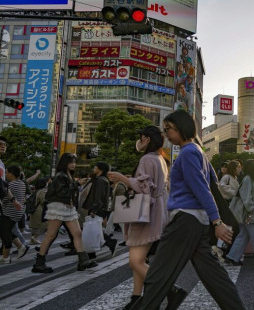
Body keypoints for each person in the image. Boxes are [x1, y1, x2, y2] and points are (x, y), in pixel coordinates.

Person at [132, 111, 244, 310]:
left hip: (184, 221)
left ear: (182, 128)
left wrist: (217, 222)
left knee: (157, 276)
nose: (166, 134)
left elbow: (202, 189)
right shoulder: (198, 151)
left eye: (169, 129)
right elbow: (212, 183)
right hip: (196, 223)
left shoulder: (188, 152)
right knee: (214, 277)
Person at [107, 126, 170, 310]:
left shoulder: (146, 159)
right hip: (157, 212)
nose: (139, 141)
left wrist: (122, 178)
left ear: (147, 139)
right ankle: (136, 297)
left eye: (141, 137)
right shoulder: (160, 159)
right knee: (140, 260)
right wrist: (131, 179)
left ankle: (169, 290)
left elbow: (144, 188)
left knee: (135, 261)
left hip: (146, 215)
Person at [32, 153, 97, 273]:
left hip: (68, 208)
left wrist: (76, 184)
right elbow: (62, 192)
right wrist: (77, 184)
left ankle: (83, 260)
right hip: (58, 207)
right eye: (71, 162)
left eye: (74, 162)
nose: (74, 164)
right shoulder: (60, 175)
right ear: (65, 163)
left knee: (77, 234)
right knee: (51, 235)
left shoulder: (67, 175)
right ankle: (39, 263)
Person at [225, 159, 254, 268]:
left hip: (246, 214)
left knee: (243, 236)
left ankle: (232, 257)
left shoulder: (249, 179)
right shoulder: (248, 179)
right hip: (249, 215)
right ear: (251, 167)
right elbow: (246, 197)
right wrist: (251, 210)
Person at [82, 161, 117, 258]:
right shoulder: (103, 179)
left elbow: (98, 196)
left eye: (95, 167)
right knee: (95, 229)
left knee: (93, 230)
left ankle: (109, 243)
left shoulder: (100, 181)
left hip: (97, 208)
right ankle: (92, 254)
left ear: (100, 169)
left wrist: (94, 210)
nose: (94, 169)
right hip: (100, 208)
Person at [0, 165, 30, 263]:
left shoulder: (11, 185)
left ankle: (5, 257)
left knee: (5, 234)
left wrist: (2, 200)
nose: (6, 174)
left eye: (7, 172)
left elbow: (5, 199)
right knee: (7, 231)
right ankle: (21, 247)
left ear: (12, 174)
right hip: (18, 212)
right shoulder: (22, 183)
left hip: (9, 212)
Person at [28, 178, 49, 245]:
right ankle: (35, 237)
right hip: (39, 210)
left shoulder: (36, 191)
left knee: (35, 226)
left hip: (34, 210)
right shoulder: (42, 191)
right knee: (44, 225)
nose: (47, 184)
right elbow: (43, 201)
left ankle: (32, 240)